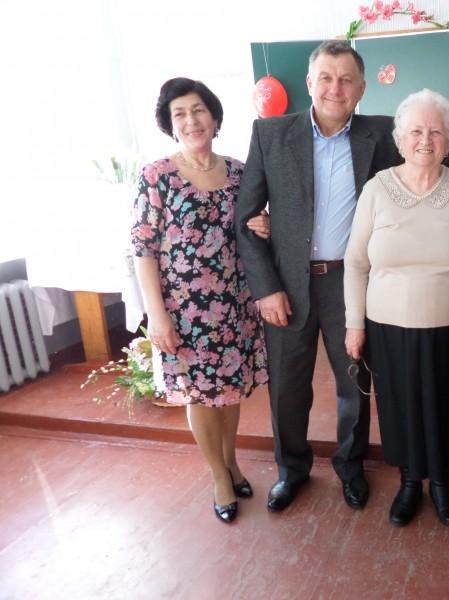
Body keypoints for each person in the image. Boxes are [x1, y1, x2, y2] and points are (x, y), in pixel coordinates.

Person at [235, 40, 402, 513]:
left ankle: (351, 466)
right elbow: (245, 219)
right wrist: (266, 288)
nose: (335, 88)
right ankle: (291, 471)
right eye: (326, 78)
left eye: (346, 80)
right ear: (310, 83)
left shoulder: (384, 134)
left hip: (350, 284)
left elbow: (433, 151)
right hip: (286, 285)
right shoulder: (270, 134)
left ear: (362, 89)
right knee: (288, 387)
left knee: (354, 383)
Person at [132, 77, 268, 524]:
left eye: (198, 110)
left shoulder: (239, 172)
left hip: (235, 304)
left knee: (229, 392)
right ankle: (218, 476)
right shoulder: (157, 176)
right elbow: (143, 250)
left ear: (214, 117)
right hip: (185, 312)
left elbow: (253, 227)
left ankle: (231, 462)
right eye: (180, 114)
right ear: (170, 125)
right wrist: (157, 316)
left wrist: (264, 226)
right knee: (200, 394)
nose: (191, 121)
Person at [343, 89, 449, 527]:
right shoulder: (377, 189)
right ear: (400, 139)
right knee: (399, 405)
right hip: (387, 323)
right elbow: (355, 262)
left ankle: (440, 482)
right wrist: (354, 324)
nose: (425, 140)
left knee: (446, 404)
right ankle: (408, 482)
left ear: (448, 140)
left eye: (436, 132)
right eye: (416, 131)